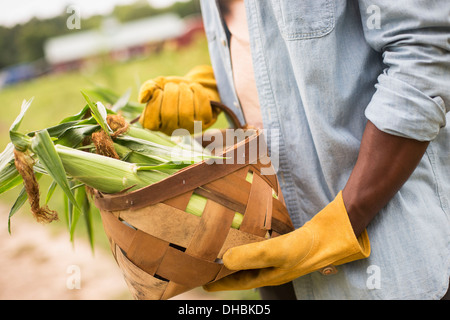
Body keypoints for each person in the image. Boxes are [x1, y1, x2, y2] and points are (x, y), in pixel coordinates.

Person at [138, 0, 450, 299]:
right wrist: (215, 83)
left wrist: (341, 226)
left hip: (390, 261)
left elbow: (423, 55)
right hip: (275, 261)